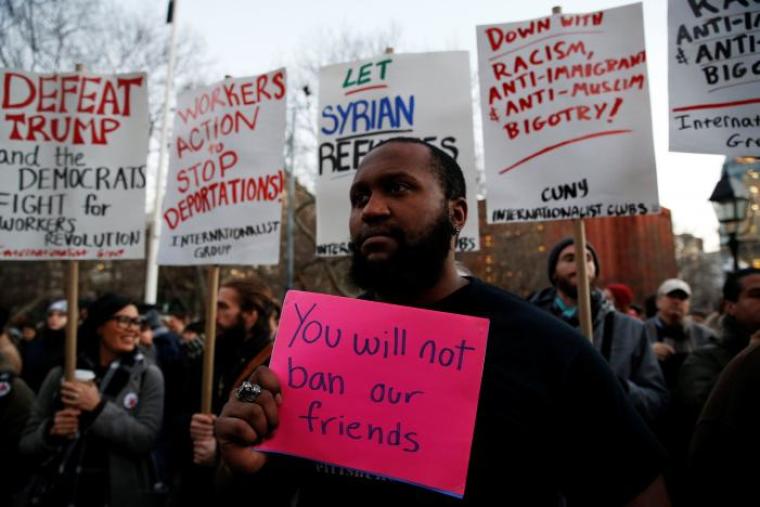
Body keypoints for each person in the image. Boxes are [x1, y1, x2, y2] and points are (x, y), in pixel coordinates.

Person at [214, 137, 670, 506]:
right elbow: (261, 485)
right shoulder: (309, 347)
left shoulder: (549, 348)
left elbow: (639, 491)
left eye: (397, 188)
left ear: (456, 215)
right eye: (359, 197)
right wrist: (242, 463)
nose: (371, 209)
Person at [19, 293, 165, 507]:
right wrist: (51, 431)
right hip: (60, 491)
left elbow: (145, 439)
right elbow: (26, 443)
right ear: (99, 326)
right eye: (123, 320)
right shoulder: (63, 373)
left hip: (116, 494)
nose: (133, 328)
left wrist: (98, 408)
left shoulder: (147, 376)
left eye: (137, 322)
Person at [530, 238, 668, 424]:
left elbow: (656, 400)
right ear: (553, 273)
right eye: (569, 258)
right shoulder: (529, 326)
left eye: (586, 258)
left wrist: (620, 389)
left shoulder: (631, 330)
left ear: (594, 270)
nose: (579, 262)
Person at [175, 277, 278, 504]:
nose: (213, 316)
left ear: (249, 315)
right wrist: (192, 425)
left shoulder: (270, 364)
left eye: (222, 307)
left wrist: (220, 449)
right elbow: (179, 408)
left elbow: (269, 436)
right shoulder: (208, 356)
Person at [677, 268, 760, 419]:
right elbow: (701, 409)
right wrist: (748, 358)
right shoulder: (704, 359)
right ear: (730, 307)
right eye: (756, 295)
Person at [644, 279, 715, 391]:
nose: (677, 302)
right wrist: (648, 353)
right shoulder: (642, 331)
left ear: (689, 304)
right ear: (658, 301)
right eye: (671, 296)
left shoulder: (705, 334)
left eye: (682, 298)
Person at [19, 299, 68, 392]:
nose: (54, 318)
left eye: (61, 315)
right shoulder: (35, 343)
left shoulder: (72, 346)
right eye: (50, 314)